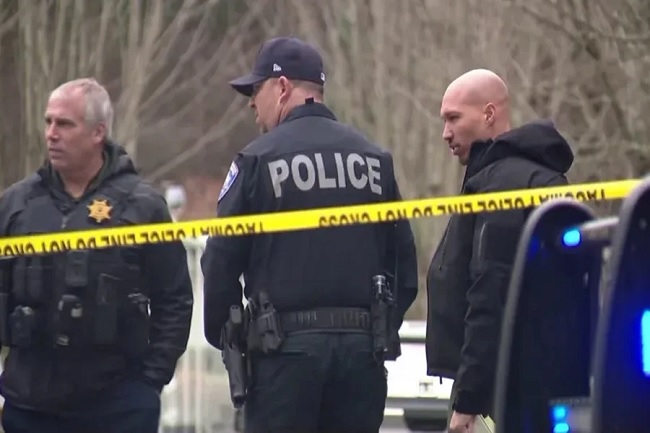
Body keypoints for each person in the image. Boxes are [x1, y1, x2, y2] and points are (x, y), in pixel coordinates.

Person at [201, 36, 419, 433]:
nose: (251, 104)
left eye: (256, 90)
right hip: (362, 357)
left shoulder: (256, 160)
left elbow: (220, 260)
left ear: (282, 87)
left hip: (284, 357)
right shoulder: (375, 159)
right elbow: (404, 262)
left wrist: (229, 334)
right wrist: (378, 326)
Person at [0, 78, 194, 433]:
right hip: (29, 406)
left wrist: (151, 382)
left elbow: (174, 298)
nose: (51, 134)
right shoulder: (16, 205)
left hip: (117, 407)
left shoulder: (141, 206)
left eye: (65, 124)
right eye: (48, 122)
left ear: (98, 133)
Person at [425, 69, 574, 433]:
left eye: (453, 118)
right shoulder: (536, 179)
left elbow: (490, 294)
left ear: (489, 113)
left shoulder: (502, 186)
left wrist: (469, 399)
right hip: (543, 380)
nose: (445, 133)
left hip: (501, 392)